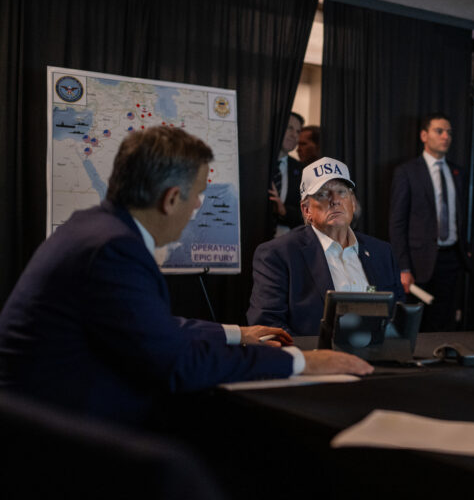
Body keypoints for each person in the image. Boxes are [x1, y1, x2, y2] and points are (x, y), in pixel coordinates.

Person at [0, 127, 372, 425]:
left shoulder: (96, 229)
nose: (198, 206)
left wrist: (234, 332)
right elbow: (177, 363)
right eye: (197, 195)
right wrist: (304, 362)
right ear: (171, 198)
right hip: (53, 428)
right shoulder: (114, 249)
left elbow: (152, 328)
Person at [248, 157, 405, 335]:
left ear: (352, 203)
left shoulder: (381, 252)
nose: (335, 200)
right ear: (307, 210)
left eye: (342, 192)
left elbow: (399, 315)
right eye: (322, 194)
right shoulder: (278, 255)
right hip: (316, 359)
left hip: (380, 357)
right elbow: (267, 324)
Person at [389, 114, 470, 331]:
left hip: (451, 258)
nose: (446, 136)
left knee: (444, 321)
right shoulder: (407, 172)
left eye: (449, 132)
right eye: (439, 131)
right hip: (418, 262)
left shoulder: (457, 172)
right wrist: (403, 267)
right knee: (416, 324)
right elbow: (397, 223)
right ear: (424, 135)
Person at [269, 111, 305, 238]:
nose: (294, 135)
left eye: (298, 131)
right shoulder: (259, 164)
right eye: (290, 128)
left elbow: (306, 214)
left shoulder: (301, 170)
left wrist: (284, 211)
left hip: (286, 243)